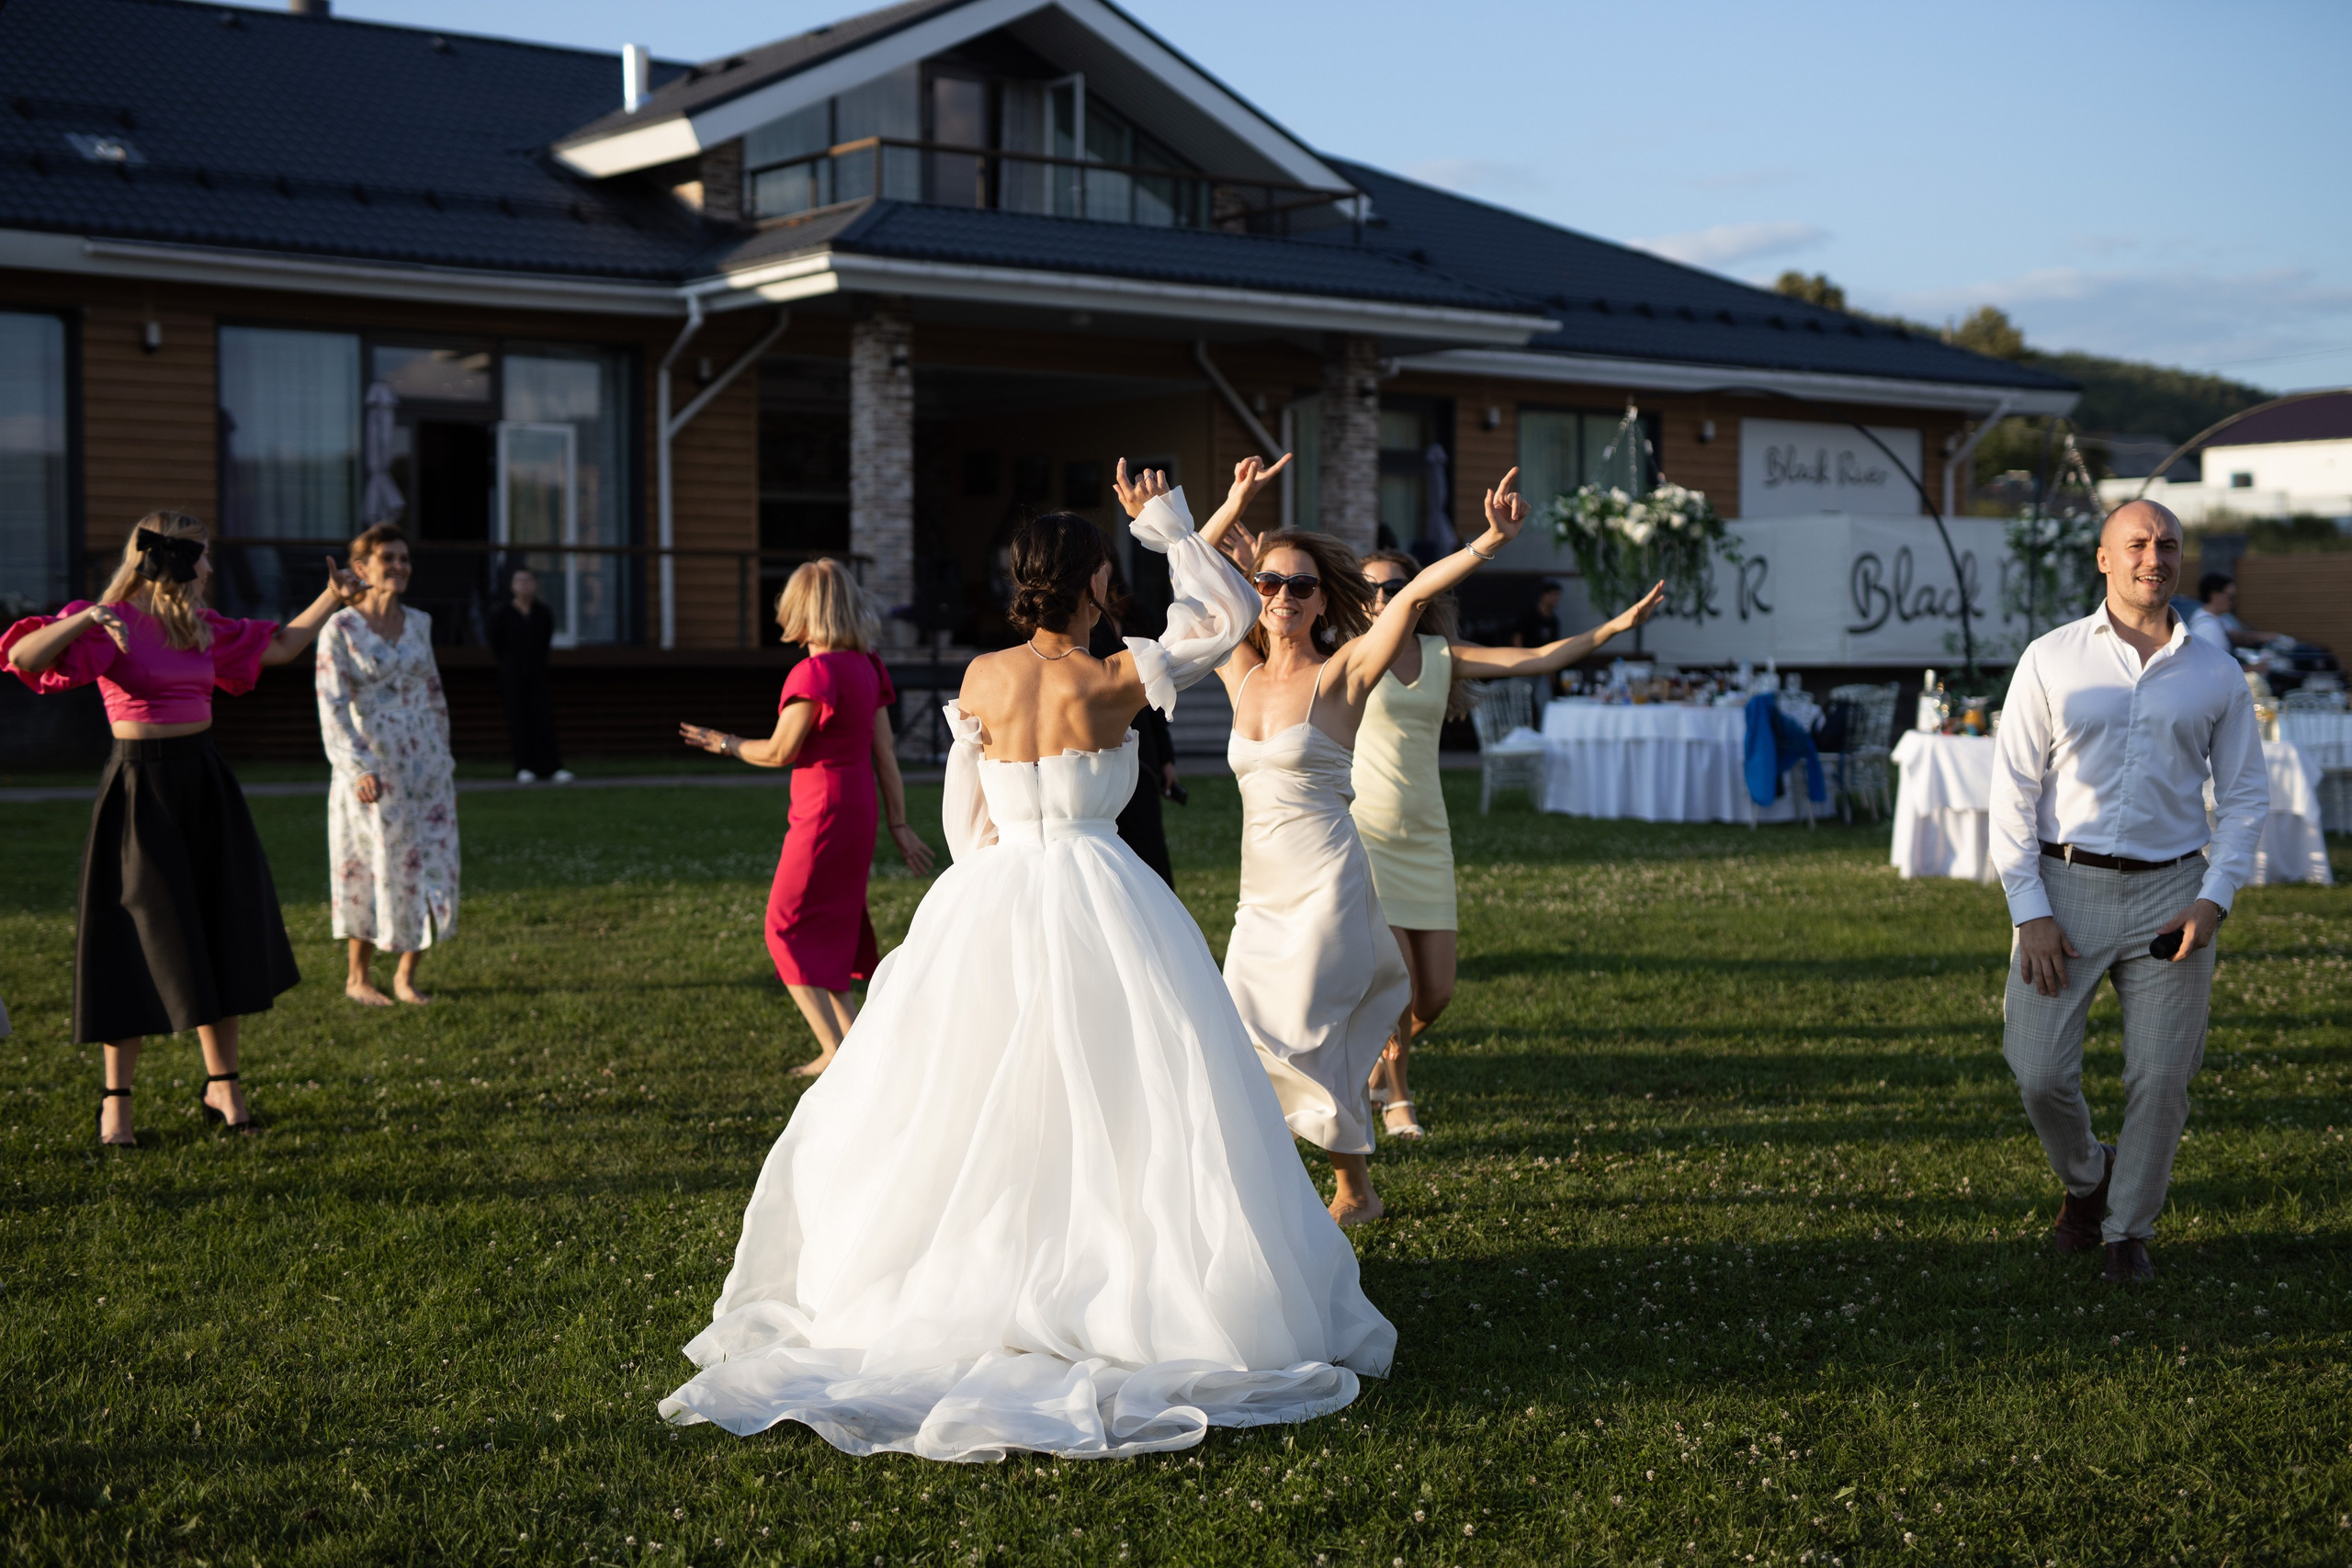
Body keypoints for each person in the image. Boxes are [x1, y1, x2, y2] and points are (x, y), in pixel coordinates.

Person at [658, 468, 1392, 1461]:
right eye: (1105, 575)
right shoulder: (1117, 676)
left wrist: (989, 882)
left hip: (993, 897)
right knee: (1134, 1094)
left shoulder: (980, 680)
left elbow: (969, 817)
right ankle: (1118, 1275)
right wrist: (1166, 526)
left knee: (970, 1098)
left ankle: (976, 1268)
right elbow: (1221, 613)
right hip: (1105, 894)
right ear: (1092, 583)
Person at [1208, 462, 1530, 1225]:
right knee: (1242, 1039)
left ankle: (1348, 1187)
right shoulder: (1240, 673)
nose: (1283, 595)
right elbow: (1192, 574)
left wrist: (1488, 540)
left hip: (1326, 888)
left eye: (1301, 585)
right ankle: (1347, 1189)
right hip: (1260, 897)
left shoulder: (1344, 672)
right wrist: (1230, 508)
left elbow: (1413, 596)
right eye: (1268, 582)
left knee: (1308, 1037)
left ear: (1325, 601)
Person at [3, 512, 358, 1145]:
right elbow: (22, 656)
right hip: (138, 790)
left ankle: (224, 1085)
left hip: (204, 786)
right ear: (169, 560)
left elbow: (276, 648)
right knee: (130, 939)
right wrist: (82, 618)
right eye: (202, 557)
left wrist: (332, 597)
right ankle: (117, 1101)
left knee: (218, 929)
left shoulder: (199, 624)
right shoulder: (109, 623)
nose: (212, 568)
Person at [1989, 501, 2267, 1283]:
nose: (2156, 556)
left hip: (2175, 891)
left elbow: (2245, 796)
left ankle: (2126, 1231)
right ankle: (2088, 1177)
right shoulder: (2050, 657)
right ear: (2103, 559)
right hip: (2062, 889)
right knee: (2037, 1069)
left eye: (2169, 544)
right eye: (2137, 543)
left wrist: (2214, 898)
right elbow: (2011, 790)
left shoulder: (2216, 670)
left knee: (2162, 1075)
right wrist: (2030, 910)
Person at [1351, 552, 1665, 1138]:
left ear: (1418, 592)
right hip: (1367, 835)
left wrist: (1615, 628)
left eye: (1396, 585)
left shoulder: (1444, 658)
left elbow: (1537, 658)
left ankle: (1371, 1055)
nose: (1382, 596)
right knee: (1397, 984)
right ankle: (1398, 1100)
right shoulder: (1349, 654)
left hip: (1428, 837)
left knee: (1435, 996)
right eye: (1369, 588)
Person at [681, 560, 933, 1077]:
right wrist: (899, 824)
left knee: (785, 926)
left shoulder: (814, 673)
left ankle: (836, 1053)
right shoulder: (869, 665)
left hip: (825, 809)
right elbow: (885, 755)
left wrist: (722, 742)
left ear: (800, 611)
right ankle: (862, 1047)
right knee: (833, 924)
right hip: (857, 802)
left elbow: (779, 751)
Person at [317, 524, 459, 1007]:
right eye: (388, 558)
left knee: (429, 861)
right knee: (371, 862)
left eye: (405, 558)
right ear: (362, 569)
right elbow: (332, 704)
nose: (399, 566)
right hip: (372, 767)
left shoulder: (420, 622)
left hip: (426, 766)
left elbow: (433, 691)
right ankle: (358, 977)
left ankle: (405, 976)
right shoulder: (340, 628)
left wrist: (443, 752)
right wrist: (357, 767)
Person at [1087, 565, 1182, 886]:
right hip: (1097, 746)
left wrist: (1166, 757)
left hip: (1142, 747)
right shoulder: (1080, 625)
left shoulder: (1137, 617)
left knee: (1147, 841)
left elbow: (1155, 699)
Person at [487, 564, 571, 784]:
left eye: (528, 581)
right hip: (512, 675)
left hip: (538, 673)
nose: (524, 586)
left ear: (534, 585)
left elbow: (545, 640)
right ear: (513, 586)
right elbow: (496, 643)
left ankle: (551, 767)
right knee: (517, 719)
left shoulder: (543, 613)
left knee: (543, 719)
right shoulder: (503, 614)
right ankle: (522, 767)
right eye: (519, 581)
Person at [2186, 572, 2273, 658]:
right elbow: (2216, 667)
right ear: (2214, 595)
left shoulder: (2216, 618)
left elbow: (2236, 635)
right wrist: (2254, 668)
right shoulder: (2208, 628)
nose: (2234, 602)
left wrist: (2268, 637)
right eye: (2230, 597)